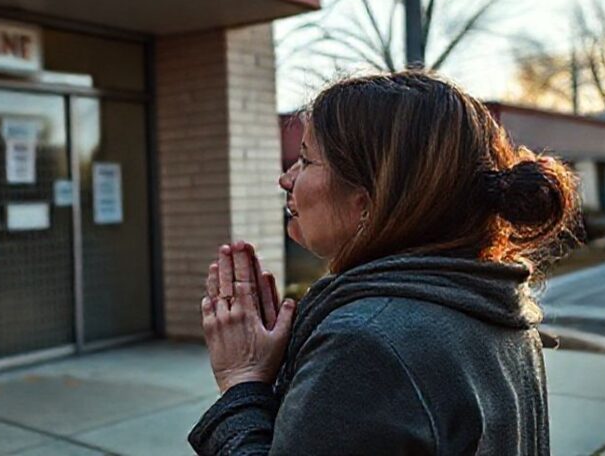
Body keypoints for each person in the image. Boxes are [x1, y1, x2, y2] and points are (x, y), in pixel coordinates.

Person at [189, 71, 581, 455]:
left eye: (306, 161)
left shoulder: (365, 344)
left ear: (371, 201)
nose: (286, 179)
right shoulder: (494, 309)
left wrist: (242, 383)